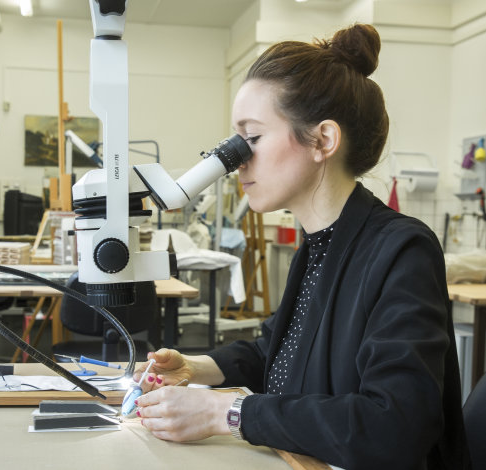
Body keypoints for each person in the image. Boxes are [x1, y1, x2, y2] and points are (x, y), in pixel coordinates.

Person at [133, 24, 470, 470]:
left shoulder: (402, 251)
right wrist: (196, 368)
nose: (236, 162)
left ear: (322, 140)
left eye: (250, 139)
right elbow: (274, 350)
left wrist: (224, 412)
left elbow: (396, 425)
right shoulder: (319, 245)